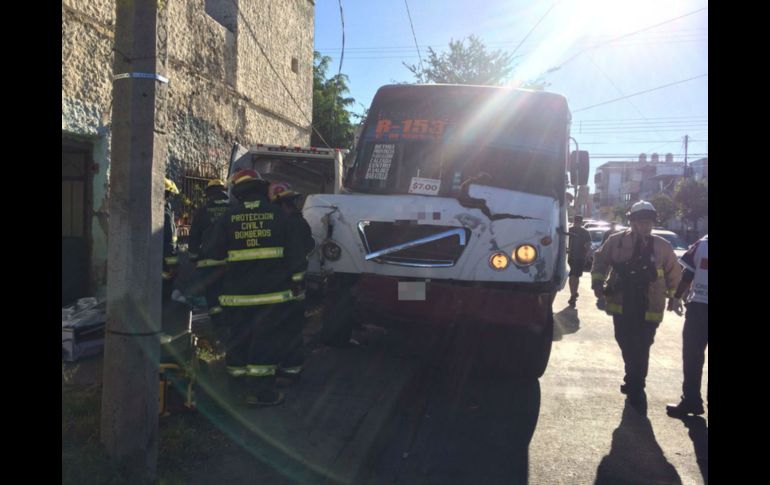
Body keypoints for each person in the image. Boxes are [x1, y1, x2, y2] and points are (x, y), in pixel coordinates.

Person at [203, 169, 306, 407]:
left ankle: (236, 390)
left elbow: (213, 252)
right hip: (272, 299)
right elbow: (297, 257)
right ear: (261, 191)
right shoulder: (280, 217)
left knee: (238, 341)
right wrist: (297, 283)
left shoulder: (227, 218)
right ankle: (261, 394)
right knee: (265, 343)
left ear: (238, 194)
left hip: (236, 299)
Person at [591, 200, 682, 410]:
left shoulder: (662, 246)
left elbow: (673, 273)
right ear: (632, 222)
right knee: (624, 341)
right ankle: (632, 375)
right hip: (621, 302)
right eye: (641, 222)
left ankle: (637, 386)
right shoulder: (616, 241)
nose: (645, 226)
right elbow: (600, 260)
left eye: (649, 222)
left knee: (642, 346)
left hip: (649, 305)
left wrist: (675, 298)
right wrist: (597, 281)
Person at [269, 182, 316, 386]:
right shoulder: (299, 222)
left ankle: (288, 371)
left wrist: (294, 282)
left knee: (286, 330)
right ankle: (288, 368)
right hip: (293, 286)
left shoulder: (287, 224)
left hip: (289, 287)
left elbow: (296, 255)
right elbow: (309, 245)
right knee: (290, 329)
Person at [666, 234, 708, 417]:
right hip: (698, 307)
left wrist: (676, 298)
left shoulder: (702, 244)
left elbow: (688, 274)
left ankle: (692, 401)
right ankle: (691, 401)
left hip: (700, 308)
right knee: (692, 356)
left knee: (692, 356)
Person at [188, 179, 230, 327]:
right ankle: (230, 325)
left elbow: (194, 236)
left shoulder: (202, 210)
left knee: (213, 298)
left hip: (209, 264)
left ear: (208, 194)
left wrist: (193, 258)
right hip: (231, 263)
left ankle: (218, 328)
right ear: (223, 192)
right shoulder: (234, 208)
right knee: (230, 295)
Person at [162, 177, 181, 303]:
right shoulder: (165, 214)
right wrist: (172, 264)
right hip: (164, 263)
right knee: (164, 295)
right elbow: (170, 241)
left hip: (153, 261)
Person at [567, 215, 591, 307]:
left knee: (572, 276)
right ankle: (573, 294)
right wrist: (587, 255)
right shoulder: (585, 232)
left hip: (572, 257)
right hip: (578, 257)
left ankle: (573, 294)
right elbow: (588, 245)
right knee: (575, 276)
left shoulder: (569, 230)